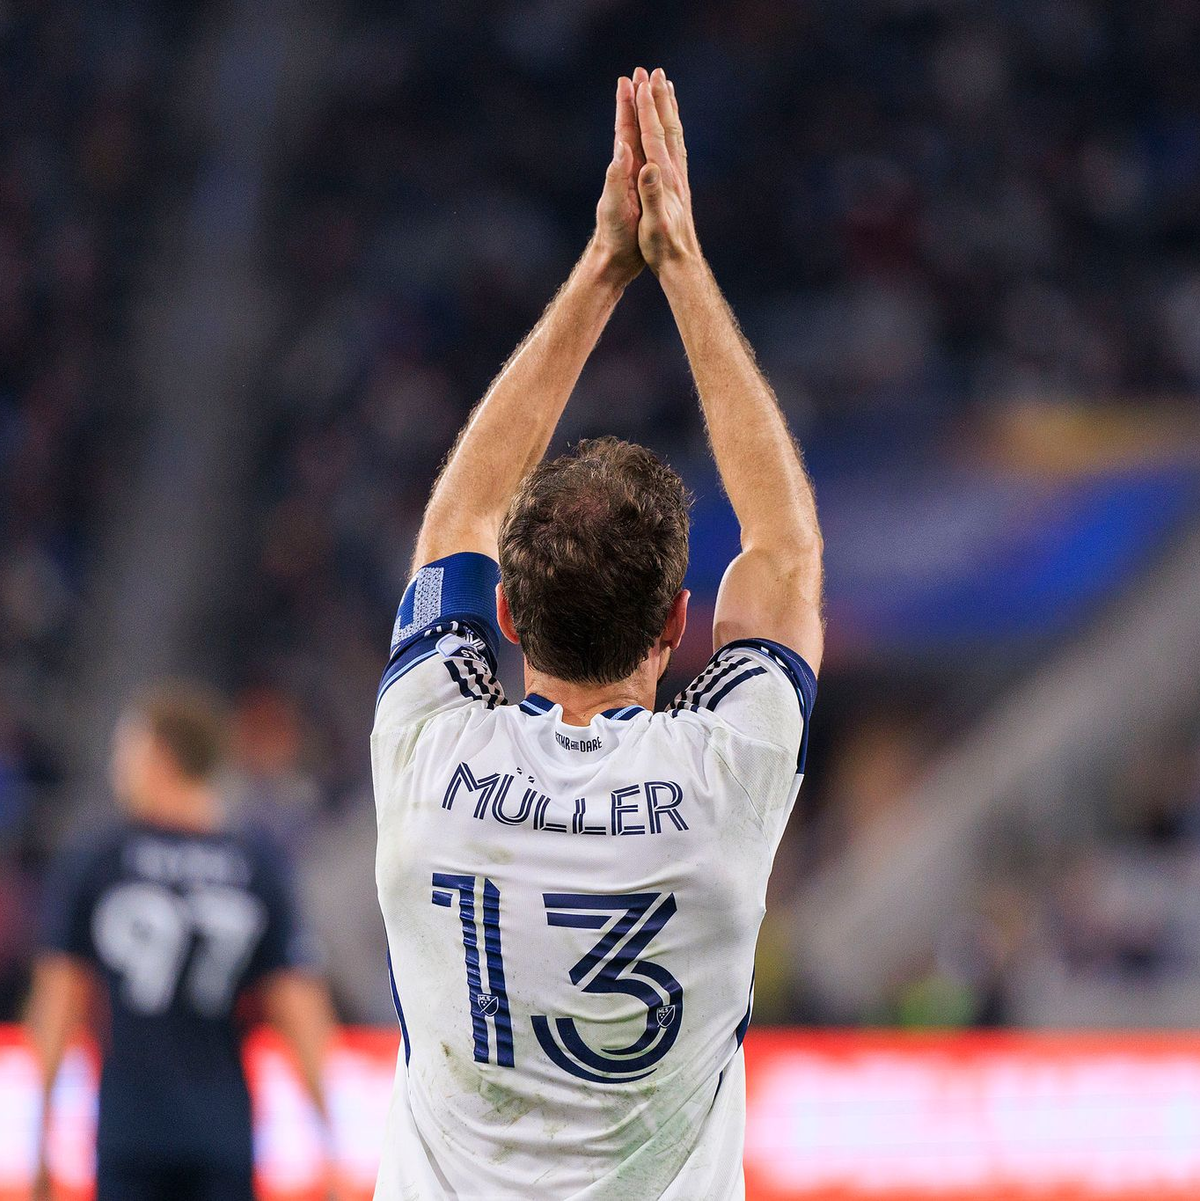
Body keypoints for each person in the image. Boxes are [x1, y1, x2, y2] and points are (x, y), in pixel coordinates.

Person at [372, 66, 822, 1200]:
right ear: (677, 623)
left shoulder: (427, 754)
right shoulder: (723, 781)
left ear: (506, 613)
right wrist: (682, 265)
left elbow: (458, 519)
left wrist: (603, 265)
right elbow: (782, 552)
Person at [25, 683, 341, 1201]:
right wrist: (329, 1135)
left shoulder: (100, 858)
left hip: (130, 1126)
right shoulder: (253, 863)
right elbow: (299, 1004)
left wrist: (39, 1130)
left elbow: (59, 999)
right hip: (221, 1124)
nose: (117, 768)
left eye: (124, 751)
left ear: (158, 753)